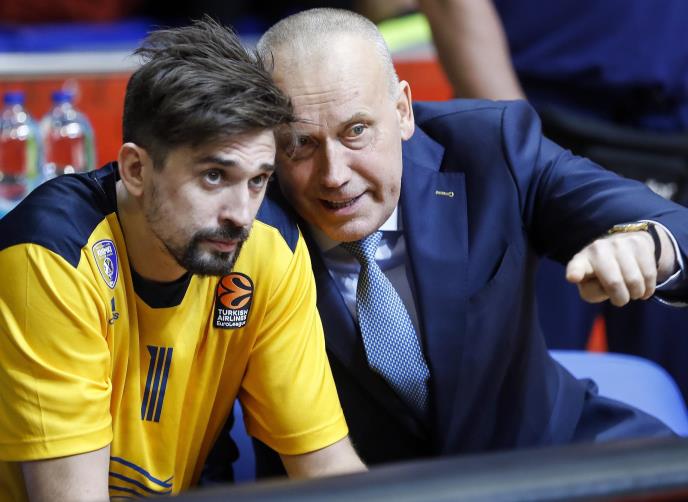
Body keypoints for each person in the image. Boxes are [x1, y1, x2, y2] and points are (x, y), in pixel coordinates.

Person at [248, 8, 688, 472]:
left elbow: (672, 225)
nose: (334, 175)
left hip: (542, 450)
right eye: (300, 144)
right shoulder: (246, 217)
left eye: (356, 131)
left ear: (402, 111)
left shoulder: (490, 147)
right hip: (363, 484)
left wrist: (649, 244)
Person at [0, 18, 365, 501]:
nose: (240, 214)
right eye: (214, 176)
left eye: (258, 180)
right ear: (136, 169)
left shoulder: (270, 247)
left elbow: (328, 470)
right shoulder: (53, 255)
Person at [418, 0, 688, 398]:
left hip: (673, 130)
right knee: (522, 396)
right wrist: (517, 147)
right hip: (545, 124)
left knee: (677, 400)